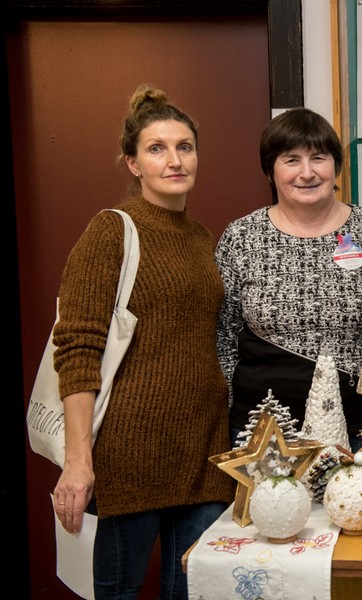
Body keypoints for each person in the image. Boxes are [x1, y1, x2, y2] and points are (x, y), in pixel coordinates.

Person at [51, 85, 234, 599]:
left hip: (204, 452)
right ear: (133, 164)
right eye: (157, 149)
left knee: (194, 591)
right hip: (129, 456)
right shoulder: (112, 231)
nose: (174, 160)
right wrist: (78, 461)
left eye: (184, 147)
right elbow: (78, 348)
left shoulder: (200, 238)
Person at [216, 108, 362, 448]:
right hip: (262, 436)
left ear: (336, 166)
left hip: (358, 434)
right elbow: (223, 340)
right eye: (291, 160)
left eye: (318, 158)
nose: (307, 172)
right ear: (270, 170)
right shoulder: (242, 238)